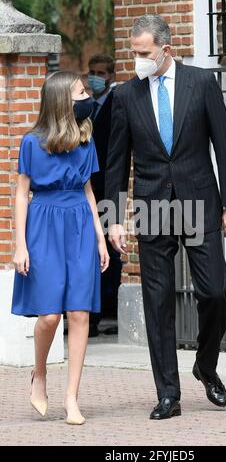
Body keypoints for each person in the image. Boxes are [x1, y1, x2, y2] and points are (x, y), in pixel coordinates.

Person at [105, 15, 226, 420]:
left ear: (166, 49)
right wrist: (115, 217)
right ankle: (168, 392)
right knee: (158, 302)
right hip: (152, 208)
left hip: (200, 203)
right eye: (134, 53)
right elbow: (117, 161)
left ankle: (206, 365)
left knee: (216, 291)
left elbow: (225, 147)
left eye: (144, 53)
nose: (138, 60)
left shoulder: (201, 83)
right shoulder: (125, 95)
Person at [11, 71, 110, 425]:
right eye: (81, 93)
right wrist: (19, 244)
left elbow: (87, 190)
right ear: (59, 100)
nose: (87, 98)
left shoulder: (86, 141)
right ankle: (40, 373)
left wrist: (99, 236)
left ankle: (72, 398)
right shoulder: (31, 142)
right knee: (50, 315)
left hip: (79, 224)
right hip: (43, 225)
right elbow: (21, 193)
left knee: (79, 313)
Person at [87, 54, 122, 337]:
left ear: (110, 75)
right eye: (92, 72)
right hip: (89, 189)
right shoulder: (87, 106)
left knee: (110, 248)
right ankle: (95, 314)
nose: (95, 77)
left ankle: (108, 310)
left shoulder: (116, 103)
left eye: (100, 72)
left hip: (107, 189)